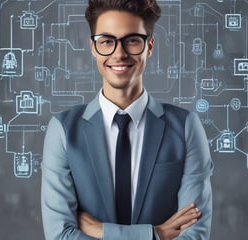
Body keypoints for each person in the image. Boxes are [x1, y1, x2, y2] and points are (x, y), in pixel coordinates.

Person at [41, 0, 214, 239]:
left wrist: (101, 231)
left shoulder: (185, 128)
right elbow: (60, 236)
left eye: (132, 40)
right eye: (107, 41)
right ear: (93, 47)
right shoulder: (63, 131)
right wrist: (156, 234)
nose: (119, 54)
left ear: (149, 46)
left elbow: (194, 235)